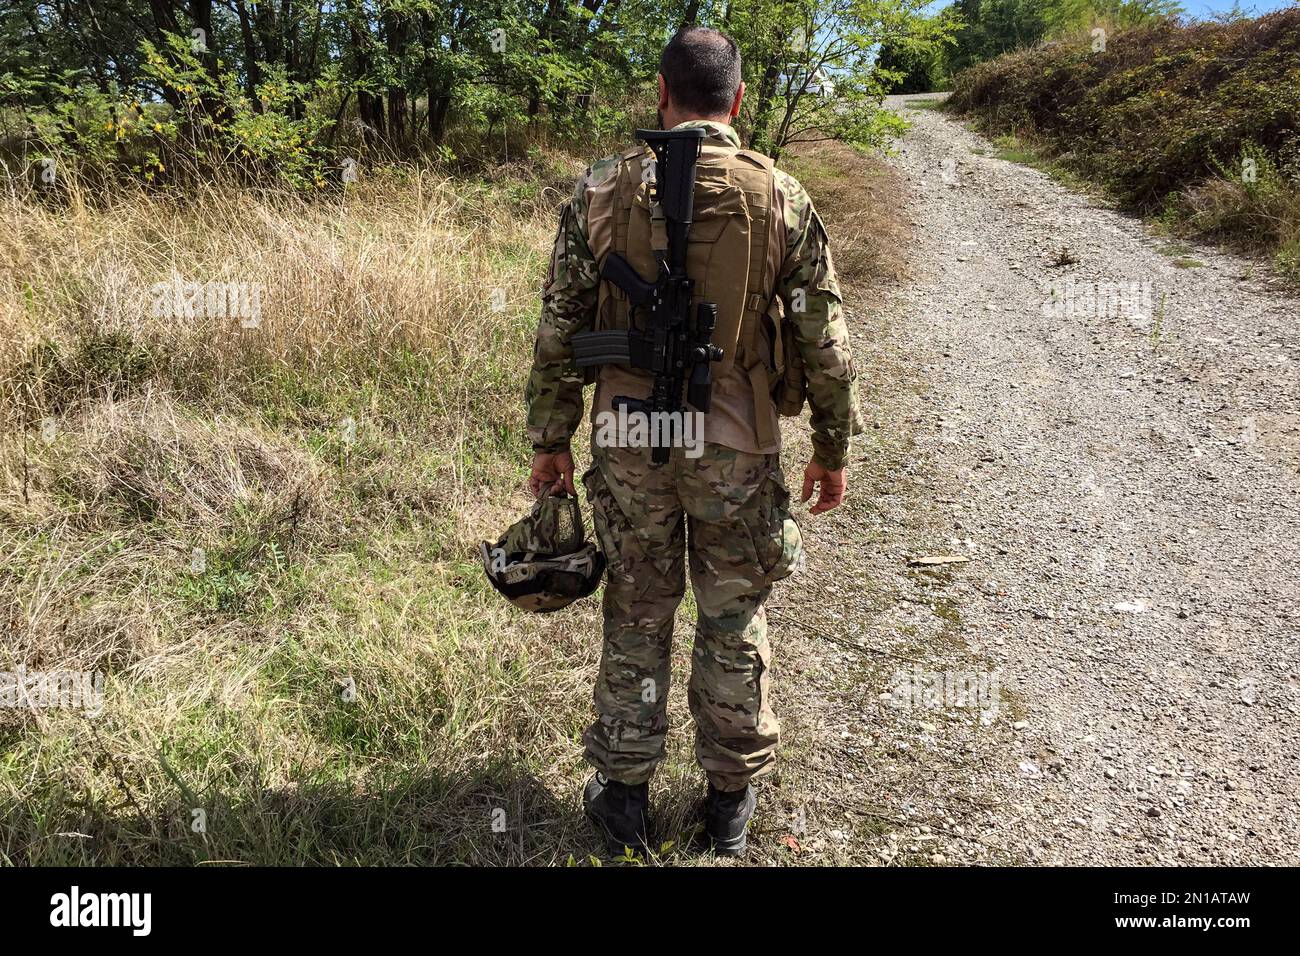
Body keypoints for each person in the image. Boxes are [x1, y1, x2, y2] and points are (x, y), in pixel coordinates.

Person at [523, 24, 862, 857]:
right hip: (734, 442)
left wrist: (550, 437)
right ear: (737, 100)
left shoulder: (600, 188)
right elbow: (824, 339)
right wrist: (832, 447)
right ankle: (729, 797)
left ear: (662, 94)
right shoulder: (780, 195)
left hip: (630, 436)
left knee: (637, 608)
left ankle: (623, 793)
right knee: (731, 612)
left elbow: (561, 324)